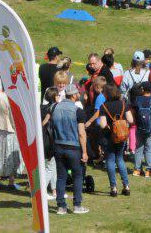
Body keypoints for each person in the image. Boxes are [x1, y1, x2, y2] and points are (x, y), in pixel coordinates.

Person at [49, 83, 89, 216]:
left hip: (59, 145)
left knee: (61, 177)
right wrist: (84, 151)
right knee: (78, 176)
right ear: (74, 95)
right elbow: (82, 133)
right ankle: (77, 205)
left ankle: (61, 207)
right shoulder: (78, 111)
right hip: (74, 147)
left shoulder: (54, 107)